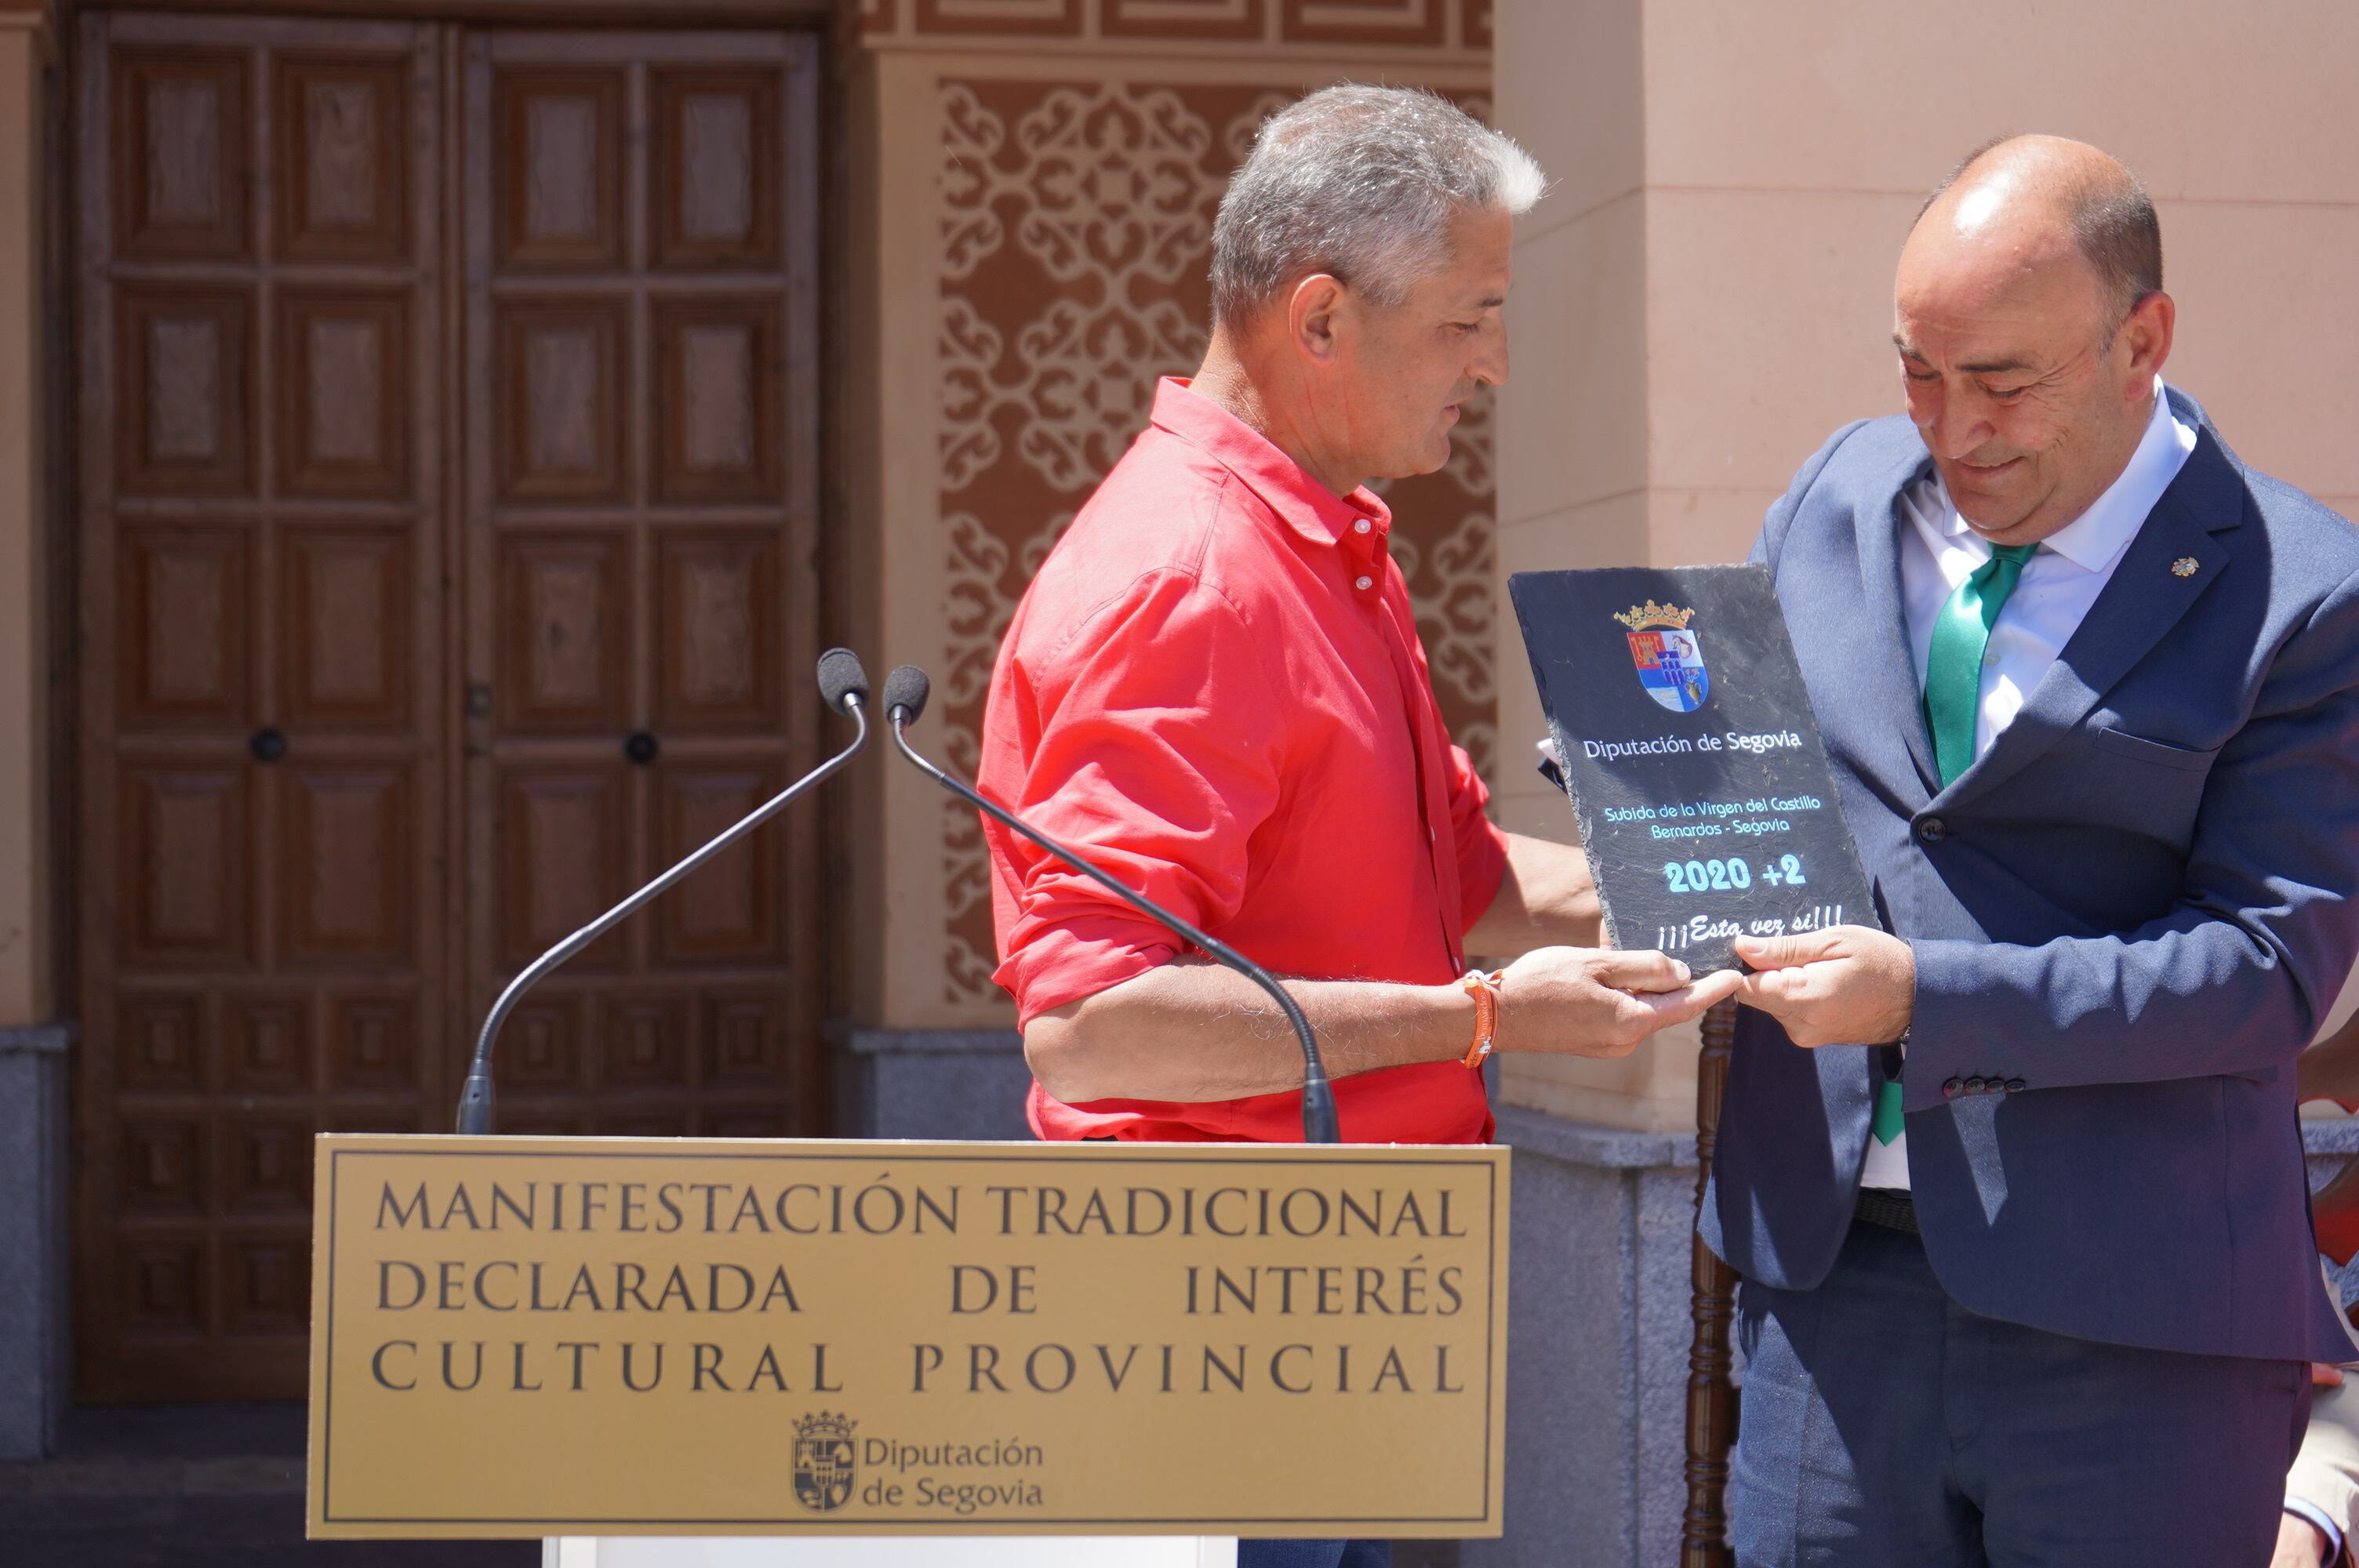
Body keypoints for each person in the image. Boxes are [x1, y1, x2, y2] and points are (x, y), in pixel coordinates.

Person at [978, 85, 1736, 1568]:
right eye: (1468, 320)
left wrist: (1730, 879)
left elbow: (1464, 876)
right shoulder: (1192, 578)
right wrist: (1479, 1024)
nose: (1498, 366)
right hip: (1205, 1335)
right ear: (1319, 320)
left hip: (1336, 1311)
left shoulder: (1330, 546)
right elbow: (1096, 1024)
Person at [1703, 132, 2359, 1566]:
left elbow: (2267, 971)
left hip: (2140, 1328)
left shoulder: (2305, 589)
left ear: (2144, 340)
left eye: (2003, 381)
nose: (1953, 428)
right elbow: (1762, 772)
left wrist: (1926, 1002)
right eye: (1918, 374)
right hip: (1829, 1298)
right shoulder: (1834, 491)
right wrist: (1656, 800)